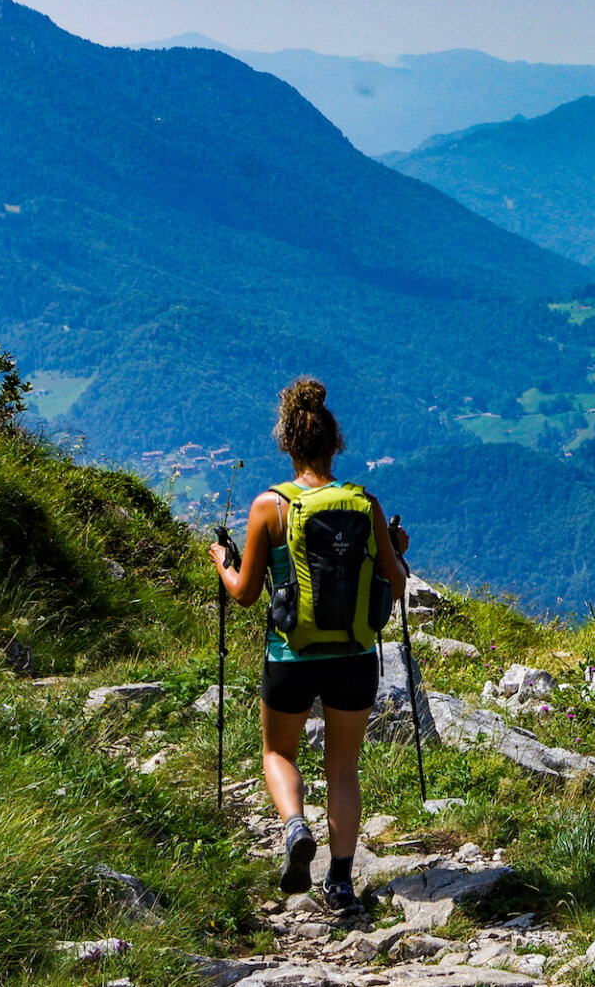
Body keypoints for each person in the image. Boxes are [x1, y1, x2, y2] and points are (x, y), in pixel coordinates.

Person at [210, 376, 410, 912]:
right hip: (354, 656)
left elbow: (246, 594)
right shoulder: (364, 504)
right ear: (333, 443)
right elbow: (396, 582)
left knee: (278, 750)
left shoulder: (268, 506)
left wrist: (220, 562)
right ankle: (341, 882)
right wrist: (398, 550)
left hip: (290, 656)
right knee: (343, 767)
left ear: (288, 444)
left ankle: (295, 827)